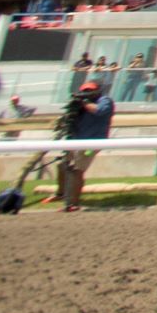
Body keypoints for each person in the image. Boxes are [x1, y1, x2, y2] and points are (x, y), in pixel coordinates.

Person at [55, 74, 113, 212]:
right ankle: (61, 194)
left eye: (89, 90)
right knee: (62, 166)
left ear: (98, 90)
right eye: (85, 90)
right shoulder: (79, 102)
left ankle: (72, 203)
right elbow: (67, 120)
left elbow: (100, 111)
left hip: (91, 142)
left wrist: (85, 104)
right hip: (75, 140)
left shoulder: (105, 100)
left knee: (76, 170)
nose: (86, 93)